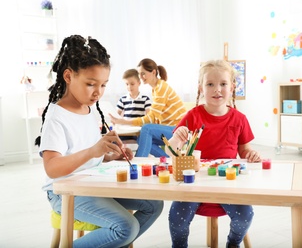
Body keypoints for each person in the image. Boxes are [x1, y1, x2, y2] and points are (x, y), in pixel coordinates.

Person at [34, 35, 163, 248]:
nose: (98, 92)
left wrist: (110, 155)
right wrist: (93, 151)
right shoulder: (56, 116)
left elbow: (90, 155)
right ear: (68, 76)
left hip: (91, 184)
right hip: (65, 192)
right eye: (90, 84)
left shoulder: (90, 109)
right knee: (127, 226)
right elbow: (53, 168)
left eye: (103, 85)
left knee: (153, 204)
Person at [166, 59, 261, 248]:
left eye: (223, 84)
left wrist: (251, 154)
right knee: (176, 217)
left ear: (232, 87)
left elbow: (244, 150)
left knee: (245, 215)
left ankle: (233, 243)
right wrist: (177, 138)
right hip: (193, 183)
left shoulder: (240, 119)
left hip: (227, 183)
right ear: (201, 88)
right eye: (210, 84)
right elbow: (171, 151)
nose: (217, 89)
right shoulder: (192, 116)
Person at [110, 58, 187, 157]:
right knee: (141, 138)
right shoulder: (156, 89)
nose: (141, 77)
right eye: (139, 74)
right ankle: (169, 161)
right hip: (170, 128)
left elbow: (150, 119)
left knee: (146, 128)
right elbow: (155, 117)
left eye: (143, 73)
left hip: (179, 129)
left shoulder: (161, 88)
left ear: (153, 72)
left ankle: (138, 163)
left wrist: (123, 121)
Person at [116, 68, 151, 141]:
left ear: (139, 83)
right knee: (114, 140)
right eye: (127, 84)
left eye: (132, 84)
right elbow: (116, 115)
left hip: (138, 131)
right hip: (125, 130)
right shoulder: (123, 99)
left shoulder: (145, 99)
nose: (129, 87)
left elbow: (149, 117)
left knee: (142, 140)